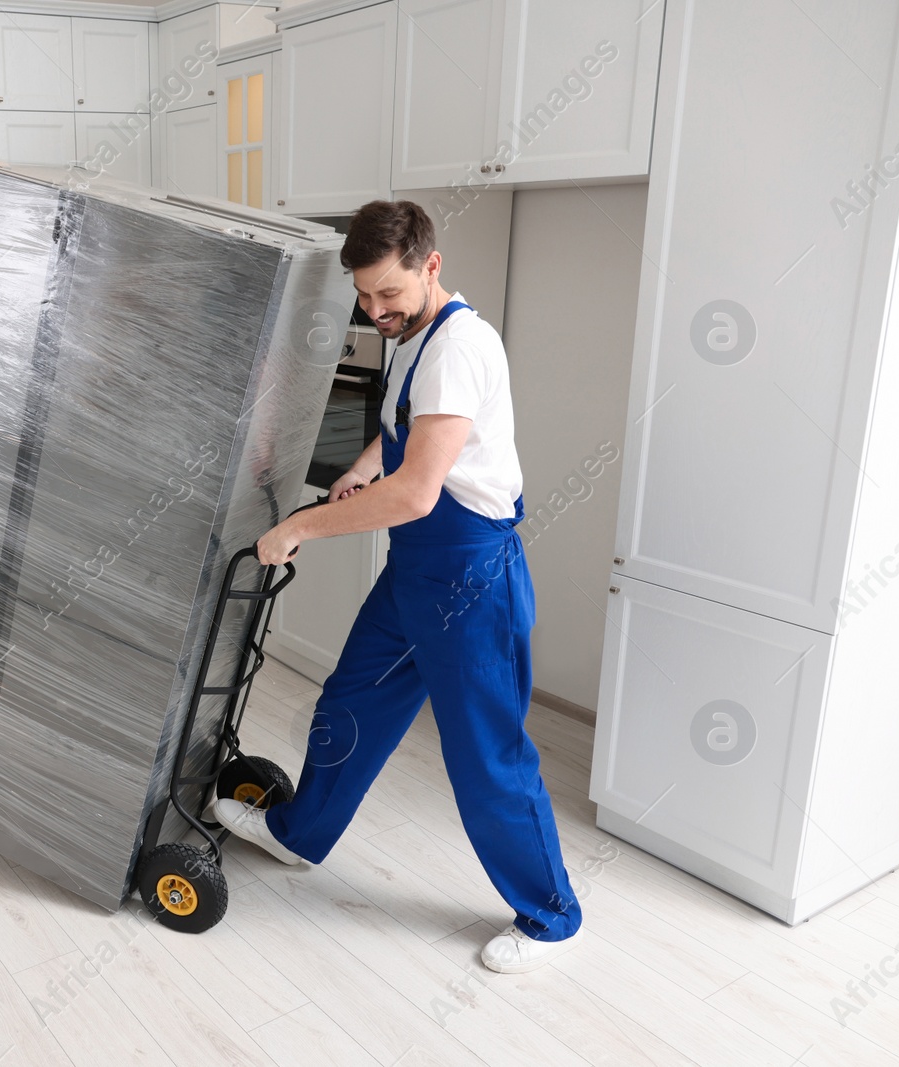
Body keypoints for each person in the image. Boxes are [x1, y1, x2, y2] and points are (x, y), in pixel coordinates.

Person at [214, 200, 583, 973]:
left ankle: (551, 918)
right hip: (417, 569)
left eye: (390, 293)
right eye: (365, 296)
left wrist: (303, 527)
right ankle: (297, 833)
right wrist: (355, 474)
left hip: (470, 577)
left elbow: (419, 492)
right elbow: (400, 442)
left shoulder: (458, 348)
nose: (376, 310)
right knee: (350, 702)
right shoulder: (411, 339)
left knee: (485, 757)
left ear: (432, 265)